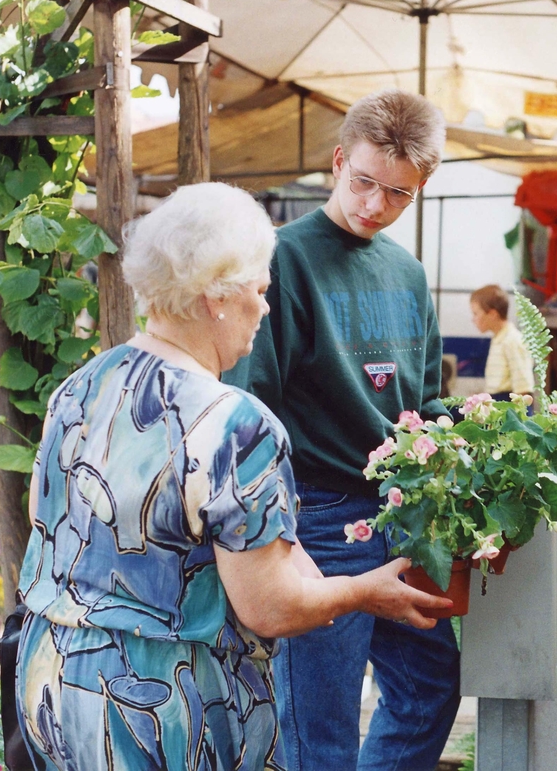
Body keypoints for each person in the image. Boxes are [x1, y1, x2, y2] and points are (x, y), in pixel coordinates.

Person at [15, 183, 448, 771]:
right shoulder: (235, 424)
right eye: (262, 290)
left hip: (52, 687)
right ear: (217, 296)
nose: (267, 308)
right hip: (162, 709)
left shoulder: (79, 389)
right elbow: (271, 608)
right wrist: (364, 593)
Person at [223, 89, 460, 771]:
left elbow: (426, 402)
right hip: (318, 515)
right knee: (319, 731)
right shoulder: (280, 258)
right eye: (363, 183)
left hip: (402, 508)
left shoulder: (409, 274)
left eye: (397, 194)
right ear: (337, 162)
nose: (375, 205)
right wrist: (276, 533)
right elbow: (248, 408)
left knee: (429, 690)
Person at [470, 284, 534, 401]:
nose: (473, 319)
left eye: (475, 313)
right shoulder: (498, 338)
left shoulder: (513, 340)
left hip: (509, 406)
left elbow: (523, 388)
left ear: (493, 314)